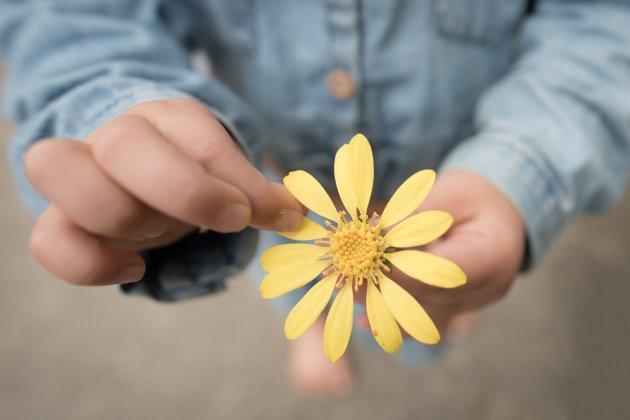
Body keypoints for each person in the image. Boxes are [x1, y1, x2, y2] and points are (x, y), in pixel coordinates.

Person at [1, 0, 629, 397]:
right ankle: (315, 332)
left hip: (448, 178)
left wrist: (518, 175)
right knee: (291, 273)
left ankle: (427, 325)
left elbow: (606, 21)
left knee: (435, 290)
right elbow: (63, 16)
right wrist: (116, 111)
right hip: (279, 188)